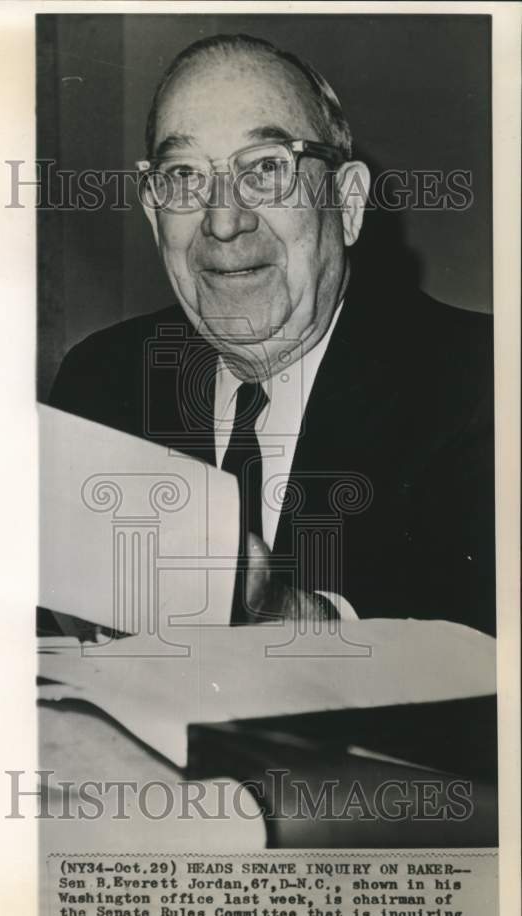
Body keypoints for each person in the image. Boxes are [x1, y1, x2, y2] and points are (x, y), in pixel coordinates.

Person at [48, 34, 495, 636]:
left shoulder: (483, 383)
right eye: (183, 177)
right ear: (155, 213)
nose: (224, 221)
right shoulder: (99, 384)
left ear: (348, 200)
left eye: (265, 169)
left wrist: (281, 615)